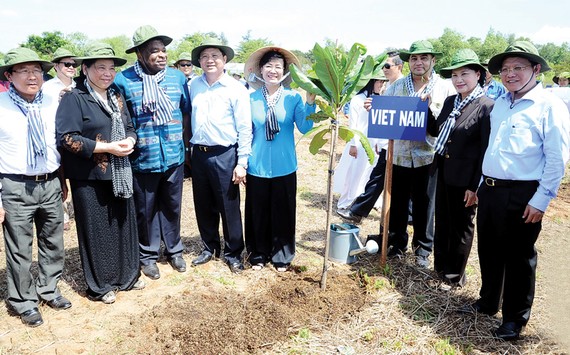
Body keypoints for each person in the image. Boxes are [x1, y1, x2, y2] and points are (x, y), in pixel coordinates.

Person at [460, 41, 570, 340]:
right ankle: (488, 301)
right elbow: (494, 148)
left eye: (518, 68)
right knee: (490, 249)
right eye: (505, 69)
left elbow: (557, 159)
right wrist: (482, 184)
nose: (510, 74)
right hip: (492, 190)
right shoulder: (501, 106)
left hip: (523, 194)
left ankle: (514, 318)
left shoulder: (549, 106)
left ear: (536, 69)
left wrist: (542, 199)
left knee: (519, 257)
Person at [56, 42, 144, 304]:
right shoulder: (75, 98)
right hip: (89, 177)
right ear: (85, 69)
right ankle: (101, 284)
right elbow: (67, 139)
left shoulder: (116, 95)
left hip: (120, 173)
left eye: (111, 68)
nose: (107, 73)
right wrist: (106, 147)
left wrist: (130, 141)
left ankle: (127, 276)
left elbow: (129, 126)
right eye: (100, 68)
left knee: (123, 226)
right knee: (97, 232)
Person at [0, 47, 71, 327]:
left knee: (53, 240)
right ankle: (23, 301)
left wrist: (62, 181)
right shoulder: (1, 105)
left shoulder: (51, 102)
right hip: (15, 185)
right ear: (9, 75)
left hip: (50, 181)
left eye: (37, 70)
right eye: (24, 70)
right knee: (19, 247)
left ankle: (49, 289)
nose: (33, 76)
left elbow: (60, 143)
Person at [114, 25, 190, 280]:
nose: (161, 55)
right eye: (153, 51)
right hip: (142, 158)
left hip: (173, 155)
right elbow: (121, 118)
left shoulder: (177, 78)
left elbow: (185, 111)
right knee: (145, 210)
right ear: (139, 54)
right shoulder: (123, 80)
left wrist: (184, 145)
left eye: (163, 50)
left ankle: (174, 251)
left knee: (172, 205)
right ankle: (148, 256)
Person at [371, 40, 455, 268]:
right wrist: (375, 109)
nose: (419, 63)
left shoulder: (445, 88)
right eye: (414, 58)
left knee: (424, 205)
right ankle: (397, 245)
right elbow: (386, 115)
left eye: (424, 58)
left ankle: (423, 250)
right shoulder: (397, 86)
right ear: (408, 62)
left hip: (427, 156)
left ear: (433, 61)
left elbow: (446, 123)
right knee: (397, 202)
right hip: (398, 155)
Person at [243, 47, 315, 271]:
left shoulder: (293, 98)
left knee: (283, 212)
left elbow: (305, 127)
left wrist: (310, 102)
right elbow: (246, 133)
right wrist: (243, 162)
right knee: (258, 212)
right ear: (260, 70)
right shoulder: (250, 98)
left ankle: (282, 254)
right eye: (269, 66)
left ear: (285, 72)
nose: (273, 71)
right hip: (257, 166)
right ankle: (258, 254)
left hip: (285, 166)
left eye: (278, 67)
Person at [426, 49, 493, 289]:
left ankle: (454, 276)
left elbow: (485, 150)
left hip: (466, 179)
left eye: (464, 74)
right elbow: (435, 130)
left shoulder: (486, 106)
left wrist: (475, 186)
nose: (458, 80)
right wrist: (424, 109)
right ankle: (441, 268)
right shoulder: (450, 101)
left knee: (461, 226)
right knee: (443, 221)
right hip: (443, 170)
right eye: (454, 75)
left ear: (478, 75)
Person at [189, 38, 252, 274]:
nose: (209, 60)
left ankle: (234, 252)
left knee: (229, 205)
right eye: (204, 57)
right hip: (200, 154)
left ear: (224, 59)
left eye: (215, 55)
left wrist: (242, 162)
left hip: (225, 153)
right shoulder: (194, 85)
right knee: (203, 204)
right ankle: (209, 247)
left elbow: (245, 127)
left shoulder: (235, 88)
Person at [335, 69, 387, 216]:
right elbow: (353, 124)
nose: (381, 85)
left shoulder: (380, 100)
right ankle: (344, 203)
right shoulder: (358, 99)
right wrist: (353, 144)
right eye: (379, 81)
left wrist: (379, 143)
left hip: (373, 143)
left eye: (383, 82)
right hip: (359, 142)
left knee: (368, 174)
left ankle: (365, 201)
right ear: (371, 82)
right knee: (353, 174)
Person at [43, 47, 79, 231]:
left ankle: (77, 209)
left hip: (77, 135)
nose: (71, 67)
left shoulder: (79, 85)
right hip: (56, 136)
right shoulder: (47, 88)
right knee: (59, 175)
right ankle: (62, 213)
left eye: (73, 64)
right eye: (67, 64)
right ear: (56, 66)